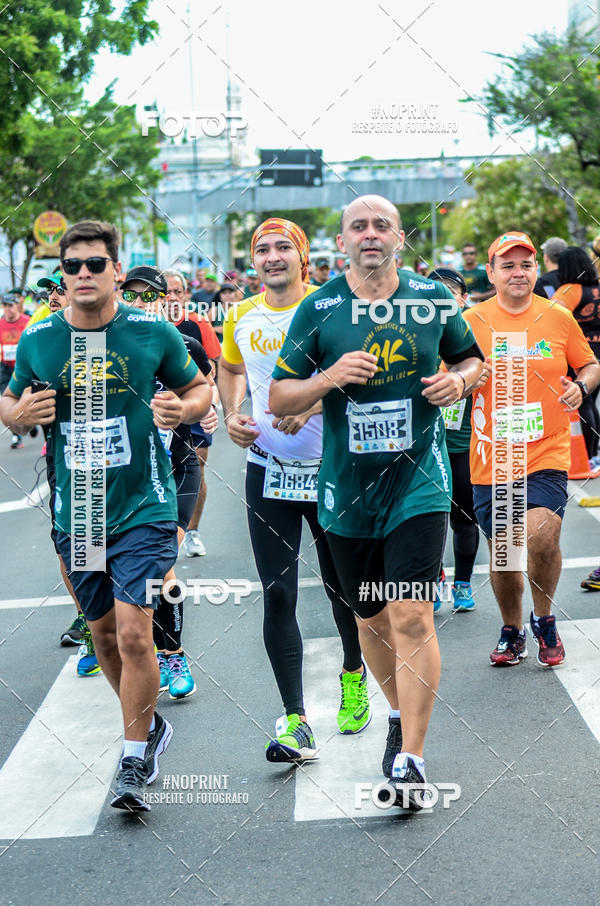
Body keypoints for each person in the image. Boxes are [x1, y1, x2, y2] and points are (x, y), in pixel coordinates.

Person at [269, 195, 484, 807]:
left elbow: (472, 358)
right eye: (358, 226)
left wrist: (459, 379)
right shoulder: (320, 308)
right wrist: (329, 377)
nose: (370, 234)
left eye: (381, 225)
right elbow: (282, 398)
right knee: (371, 620)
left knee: (412, 614)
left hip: (419, 481)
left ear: (399, 237)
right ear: (342, 242)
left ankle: (412, 759)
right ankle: (395, 713)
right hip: (346, 492)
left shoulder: (431, 299)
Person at [0, 220, 212, 812]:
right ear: (62, 275)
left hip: (145, 506)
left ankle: (134, 755)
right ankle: (146, 727)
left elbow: (200, 390)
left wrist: (181, 407)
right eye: (73, 267)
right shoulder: (42, 338)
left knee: (133, 632)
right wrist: (20, 413)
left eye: (96, 264)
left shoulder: (151, 330)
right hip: (80, 511)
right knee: (102, 637)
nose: (84, 275)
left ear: (117, 271)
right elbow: (9, 403)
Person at [219, 216, 370, 764]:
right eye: (263, 249)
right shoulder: (240, 315)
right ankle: (296, 718)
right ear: (253, 261)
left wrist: (307, 399)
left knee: (343, 589)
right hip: (269, 472)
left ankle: (354, 674)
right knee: (278, 592)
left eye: (284, 247)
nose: (273, 256)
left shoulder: (334, 307)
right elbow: (231, 369)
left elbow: (364, 375)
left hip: (332, 470)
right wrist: (232, 412)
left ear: (302, 256)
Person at [462, 231, 600, 669]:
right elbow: (449, 372)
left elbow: (590, 364)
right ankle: (512, 629)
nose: (518, 273)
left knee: (542, 535)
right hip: (492, 456)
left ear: (536, 270)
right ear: (492, 273)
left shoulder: (558, 316)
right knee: (504, 555)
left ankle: (544, 619)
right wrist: (463, 381)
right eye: (508, 265)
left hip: (546, 450)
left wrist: (581, 387)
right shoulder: (471, 321)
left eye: (525, 264)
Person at [120, 265, 217, 699]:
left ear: (163, 301)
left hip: (177, 469)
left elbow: (206, 395)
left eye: (149, 296)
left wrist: (206, 413)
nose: (141, 304)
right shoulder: (109, 347)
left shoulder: (185, 345)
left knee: (162, 564)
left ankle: (173, 655)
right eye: (133, 296)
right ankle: (126, 647)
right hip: (127, 479)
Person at [429, 268, 479, 612]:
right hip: (425, 446)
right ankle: (432, 583)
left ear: (463, 298)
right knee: (427, 519)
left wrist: (473, 378)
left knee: (464, 517)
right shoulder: (417, 333)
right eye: (437, 293)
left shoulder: (476, 334)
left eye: (452, 292)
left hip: (464, 444)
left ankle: (462, 583)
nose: (445, 299)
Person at [162, 268, 221, 558]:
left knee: (195, 466)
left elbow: (212, 373)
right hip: (157, 414)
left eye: (177, 291)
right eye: (166, 291)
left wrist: (212, 406)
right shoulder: (143, 326)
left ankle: (192, 531)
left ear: (186, 294)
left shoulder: (197, 325)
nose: (172, 297)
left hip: (193, 408)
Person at [552, 245, 600, 464]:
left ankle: (589, 455)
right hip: (597, 353)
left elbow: (549, 317)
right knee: (591, 403)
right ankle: (594, 452)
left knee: (585, 403)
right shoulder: (597, 287)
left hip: (583, 356)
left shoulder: (570, 290)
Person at [0, 296, 30, 448]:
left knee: (24, 399)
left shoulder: (27, 321)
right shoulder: (0, 324)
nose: (7, 309)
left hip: (24, 367)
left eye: (10, 305)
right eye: (5, 305)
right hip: (5, 368)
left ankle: (30, 423)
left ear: (17, 306)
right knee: (9, 400)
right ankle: (16, 436)